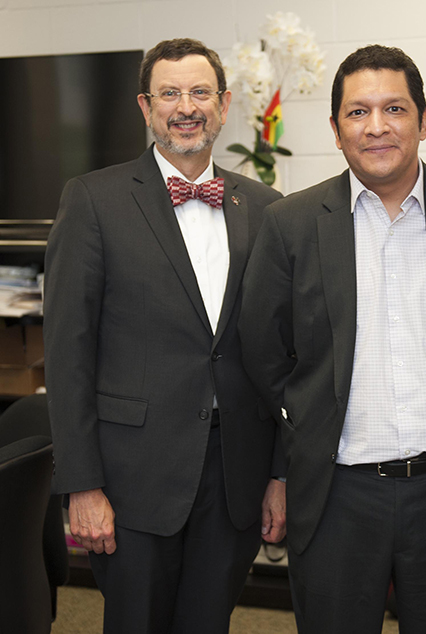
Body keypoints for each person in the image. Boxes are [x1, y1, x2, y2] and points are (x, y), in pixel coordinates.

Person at [239, 45, 426, 634]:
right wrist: (301, 432)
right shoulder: (290, 224)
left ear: (423, 119)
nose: (376, 127)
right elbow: (264, 352)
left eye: (394, 108)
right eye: (357, 112)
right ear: (336, 129)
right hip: (336, 496)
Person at [43, 38, 285, 634]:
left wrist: (279, 475)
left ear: (225, 105)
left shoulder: (267, 208)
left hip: (234, 480)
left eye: (200, 92)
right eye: (170, 93)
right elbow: (67, 352)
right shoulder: (93, 200)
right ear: (145, 107)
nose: (186, 106)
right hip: (131, 481)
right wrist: (82, 485)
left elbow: (282, 356)